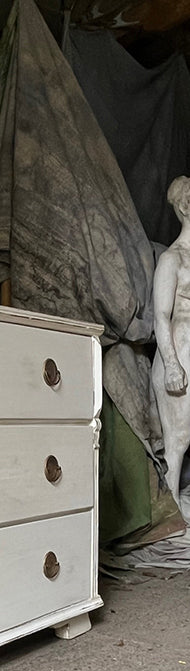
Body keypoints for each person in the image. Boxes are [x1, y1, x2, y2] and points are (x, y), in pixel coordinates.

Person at [151, 175, 190, 503]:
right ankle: (172, 513)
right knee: (177, 440)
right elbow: (161, 316)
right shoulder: (172, 259)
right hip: (180, 353)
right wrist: (172, 365)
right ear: (185, 205)